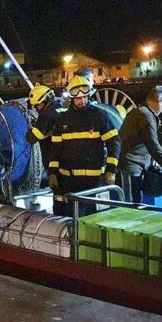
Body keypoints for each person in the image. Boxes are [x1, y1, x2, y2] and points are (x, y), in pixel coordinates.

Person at [48, 75, 121, 216]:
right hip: (67, 180)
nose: (82, 101)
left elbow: (114, 142)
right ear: (71, 98)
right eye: (78, 98)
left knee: (90, 216)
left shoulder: (100, 116)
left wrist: (112, 169)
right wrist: (52, 173)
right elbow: (55, 149)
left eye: (85, 97)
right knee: (70, 215)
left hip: (92, 181)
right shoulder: (62, 119)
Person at [117, 86, 162, 203]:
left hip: (133, 165)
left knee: (134, 201)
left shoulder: (141, 111)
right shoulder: (146, 115)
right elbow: (152, 144)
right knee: (131, 204)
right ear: (160, 102)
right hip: (131, 166)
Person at [25, 85, 66, 177]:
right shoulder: (62, 108)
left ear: (44, 102)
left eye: (37, 106)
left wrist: (29, 129)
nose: (37, 109)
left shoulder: (47, 114)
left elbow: (32, 138)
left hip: (54, 160)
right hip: (68, 159)